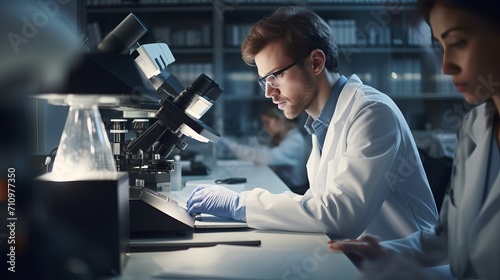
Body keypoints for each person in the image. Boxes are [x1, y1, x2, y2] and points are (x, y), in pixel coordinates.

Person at [186, 6, 439, 240]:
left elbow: (342, 215)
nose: (268, 92)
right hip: (360, 257)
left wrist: (240, 205)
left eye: (276, 76)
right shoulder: (320, 124)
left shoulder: (372, 112)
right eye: (265, 81)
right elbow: (320, 202)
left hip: (408, 266)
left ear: (316, 62)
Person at [329, 0, 500, 279]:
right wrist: (384, 253)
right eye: (440, 47)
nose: (446, 67)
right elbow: (449, 238)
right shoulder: (474, 127)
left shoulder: (372, 108)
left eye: (458, 42)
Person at [219, 104, 309, 194]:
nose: (264, 127)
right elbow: (263, 149)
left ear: (280, 121)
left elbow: (267, 157)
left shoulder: (295, 139)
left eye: (267, 122)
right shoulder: (283, 137)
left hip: (295, 190)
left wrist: (232, 145)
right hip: (285, 185)